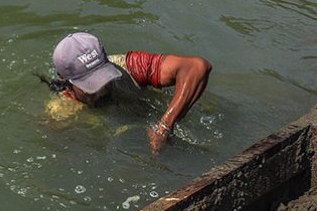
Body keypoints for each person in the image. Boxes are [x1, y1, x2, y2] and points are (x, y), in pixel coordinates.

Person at [51, 32, 212, 153]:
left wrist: (165, 126)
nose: (101, 91)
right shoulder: (60, 111)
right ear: (65, 80)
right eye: (91, 85)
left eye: (104, 78)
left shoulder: (130, 67)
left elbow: (196, 67)